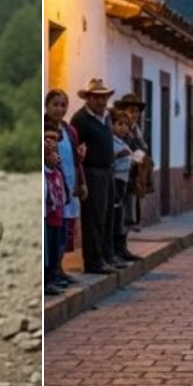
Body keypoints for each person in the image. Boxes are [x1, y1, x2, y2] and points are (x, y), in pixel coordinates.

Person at [70, 78, 119, 274]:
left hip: (107, 171)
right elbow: (76, 149)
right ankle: (93, 262)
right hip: (91, 172)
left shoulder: (106, 117)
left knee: (108, 216)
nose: (101, 102)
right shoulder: (80, 120)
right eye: (97, 98)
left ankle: (107, 256)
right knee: (93, 218)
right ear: (88, 98)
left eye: (104, 97)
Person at [44, 89, 86, 286]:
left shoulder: (70, 131)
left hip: (67, 186)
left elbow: (76, 161)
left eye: (63, 105)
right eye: (55, 104)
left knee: (63, 230)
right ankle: (50, 273)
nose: (59, 109)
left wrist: (81, 183)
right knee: (52, 233)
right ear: (46, 106)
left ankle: (59, 269)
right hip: (52, 189)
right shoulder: (44, 129)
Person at [113, 93, 152, 230]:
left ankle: (124, 243)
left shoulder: (136, 129)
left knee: (131, 212)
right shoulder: (121, 128)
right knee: (123, 212)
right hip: (123, 175)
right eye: (131, 111)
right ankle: (119, 245)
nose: (134, 114)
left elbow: (142, 147)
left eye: (136, 111)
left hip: (135, 175)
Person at [111, 111, 142, 263]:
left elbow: (139, 150)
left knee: (125, 216)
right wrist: (119, 156)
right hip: (115, 181)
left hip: (125, 181)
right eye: (119, 124)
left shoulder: (126, 141)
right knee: (116, 216)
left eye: (126, 125)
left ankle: (122, 247)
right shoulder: (112, 142)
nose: (123, 128)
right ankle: (115, 249)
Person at [43, 120, 67, 296]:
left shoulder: (57, 173)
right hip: (48, 217)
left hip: (57, 216)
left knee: (56, 247)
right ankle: (49, 280)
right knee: (48, 249)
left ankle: (54, 276)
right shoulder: (45, 174)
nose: (56, 156)